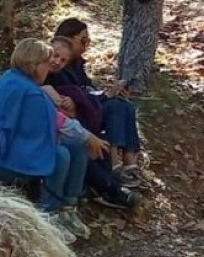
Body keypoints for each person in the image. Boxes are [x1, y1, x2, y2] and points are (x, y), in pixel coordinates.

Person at [0, 39, 90, 240]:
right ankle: (48, 213)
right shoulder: (30, 92)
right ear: (34, 65)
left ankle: (68, 207)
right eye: (46, 63)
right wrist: (86, 138)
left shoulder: (12, 78)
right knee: (60, 154)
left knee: (76, 146)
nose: (49, 68)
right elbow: (44, 132)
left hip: (6, 149)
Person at [47, 18, 143, 173]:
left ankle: (130, 160)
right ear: (68, 39)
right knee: (115, 106)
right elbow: (76, 97)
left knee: (124, 104)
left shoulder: (77, 65)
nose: (86, 46)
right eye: (83, 40)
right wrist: (106, 96)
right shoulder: (55, 69)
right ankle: (114, 161)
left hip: (89, 108)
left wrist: (110, 92)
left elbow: (88, 91)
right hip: (76, 115)